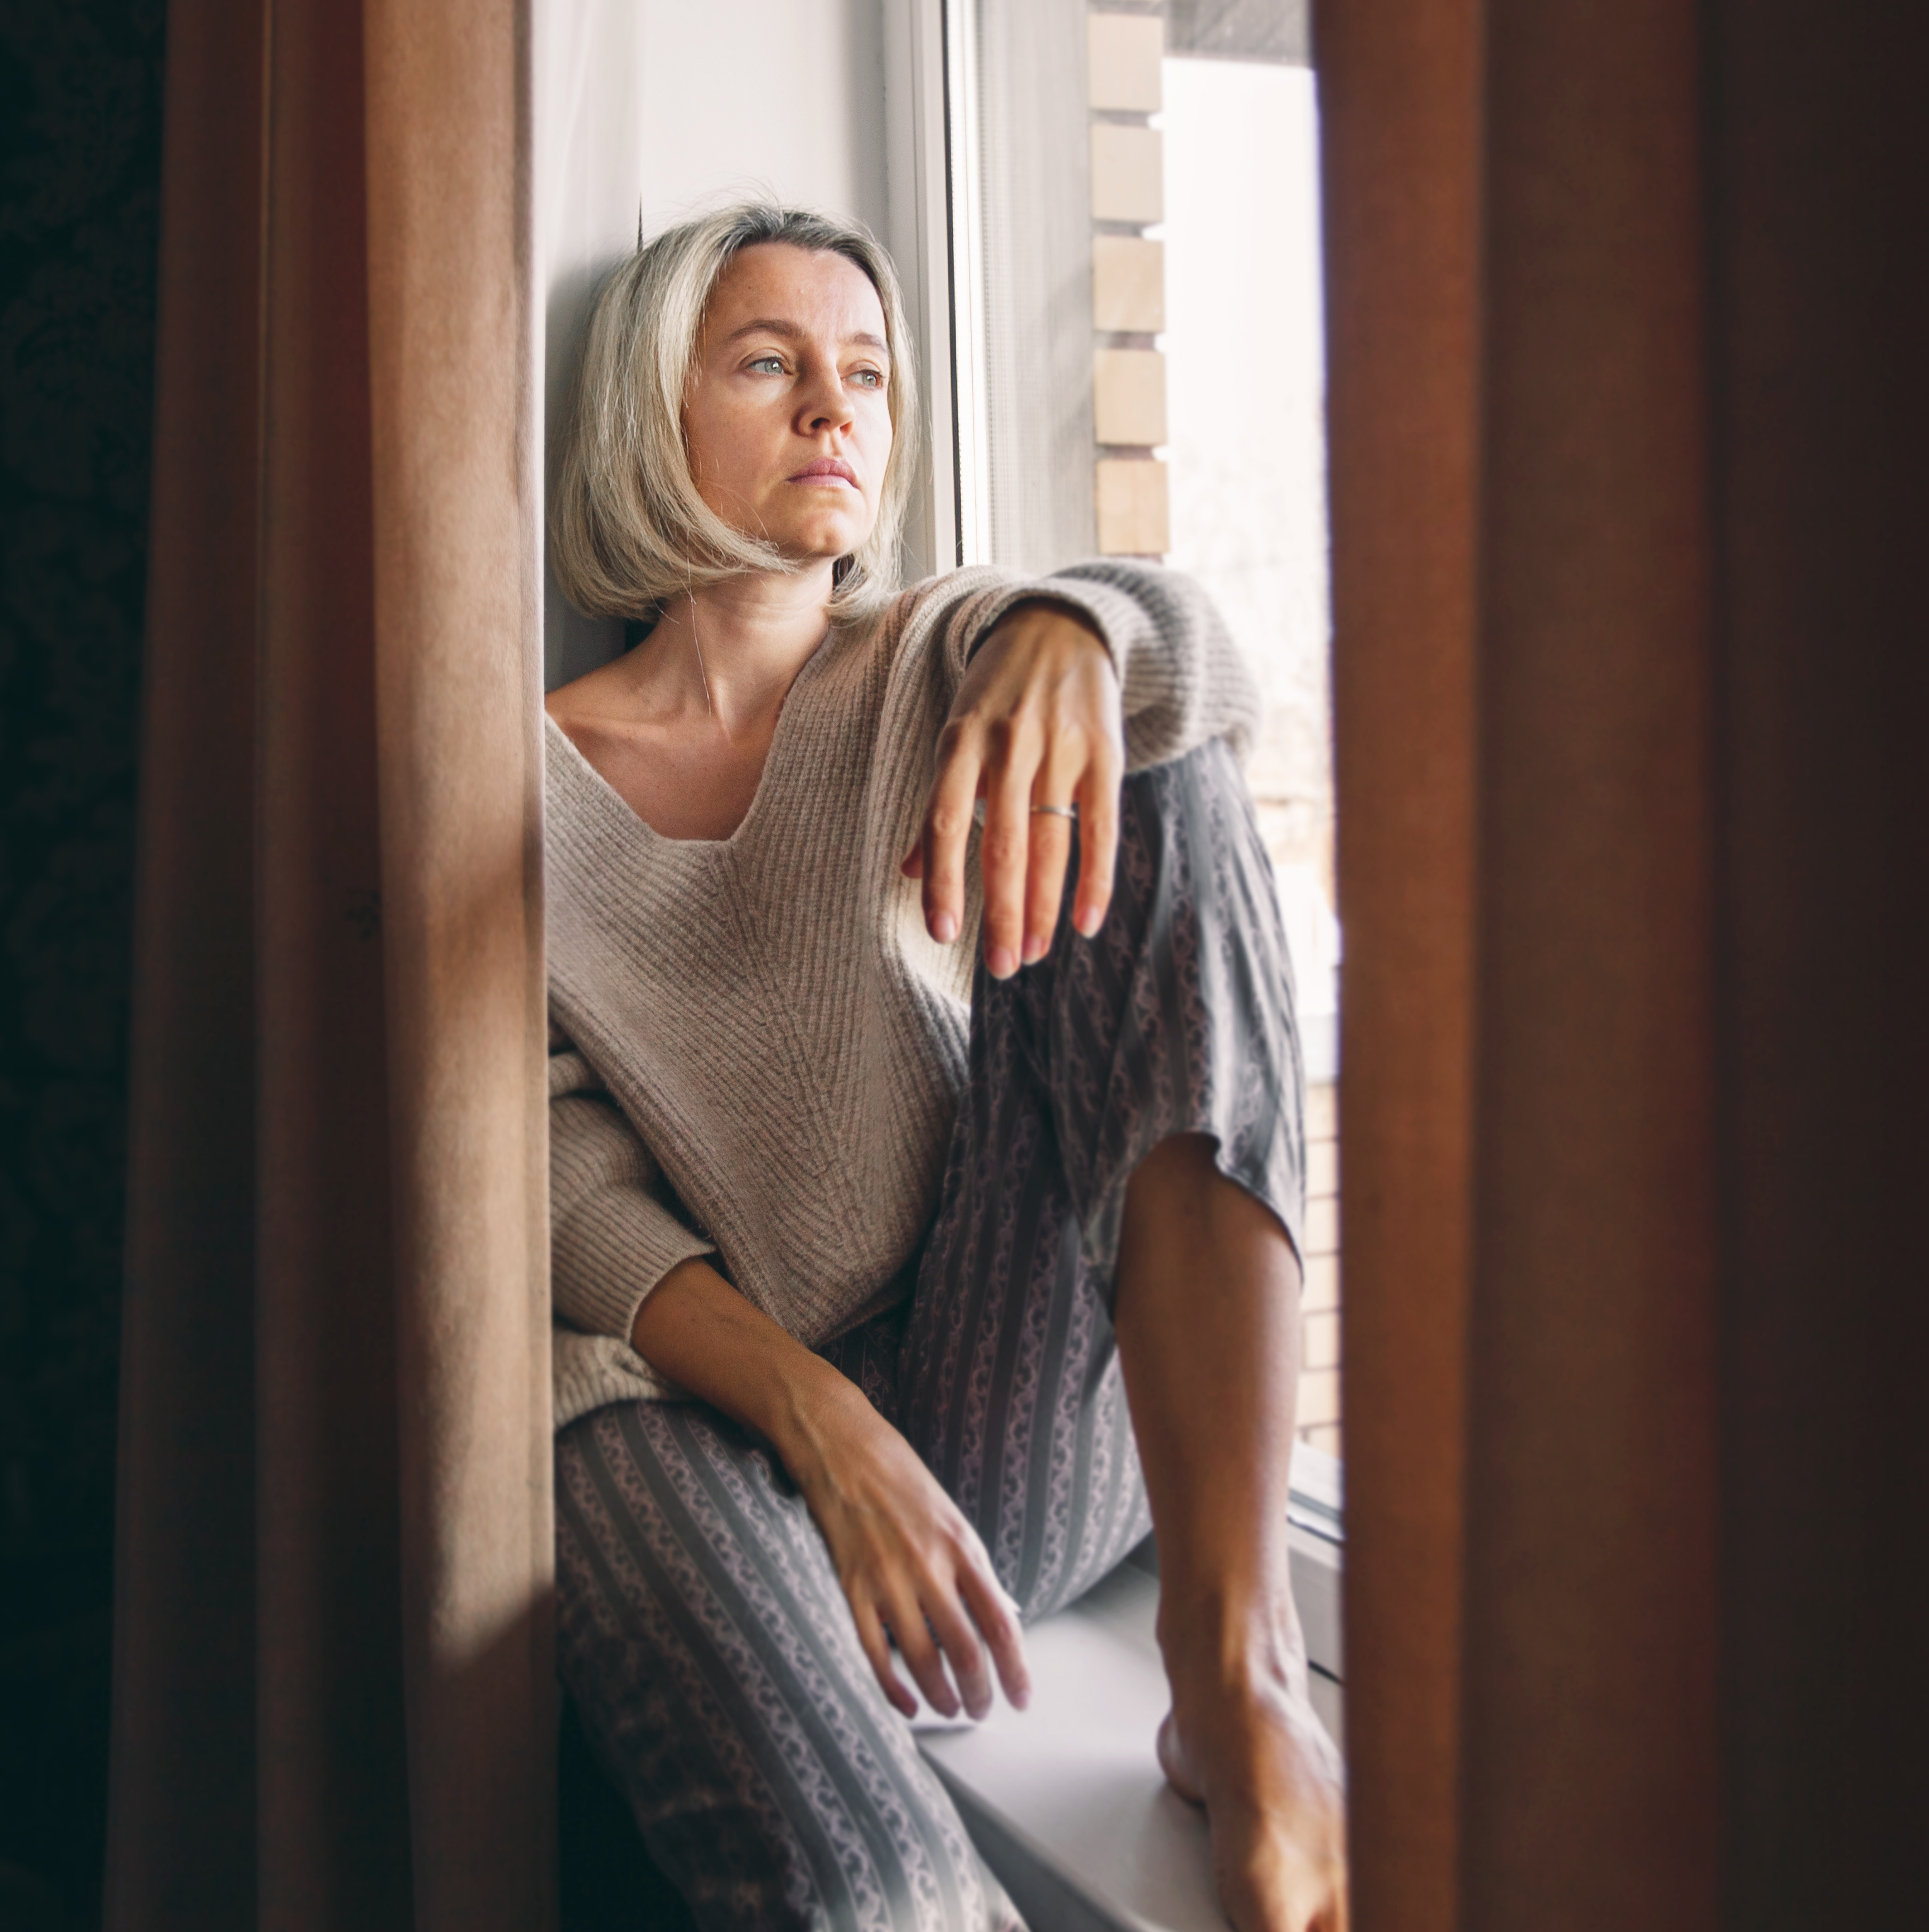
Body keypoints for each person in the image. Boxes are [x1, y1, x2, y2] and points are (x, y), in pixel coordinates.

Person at [542, 202, 1345, 1932]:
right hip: (760, 1445)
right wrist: (822, 1421)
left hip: (1010, 1390)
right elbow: (548, 1180)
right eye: (768, 365)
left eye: (869, 373)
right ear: (646, 418)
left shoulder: (936, 658)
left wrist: (1077, 630)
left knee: (1153, 757)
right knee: (570, 1426)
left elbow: (1199, 653)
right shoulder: (516, 785)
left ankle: (1242, 1669)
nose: (836, 408)